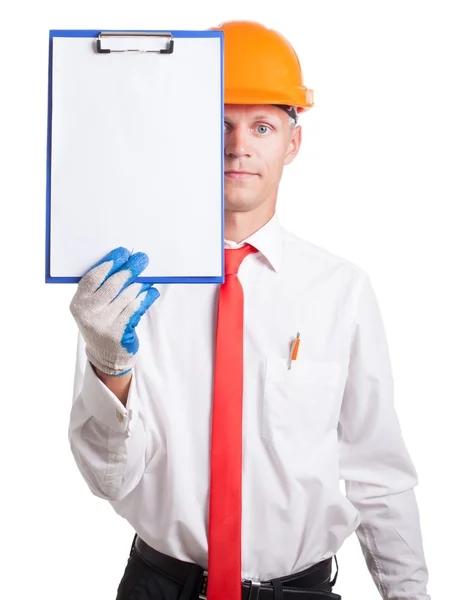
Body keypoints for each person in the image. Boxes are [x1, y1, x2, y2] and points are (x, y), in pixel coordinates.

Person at [68, 20, 431, 600]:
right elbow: (110, 478)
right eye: (219, 124)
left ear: (293, 142)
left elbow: (377, 474)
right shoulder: (130, 291)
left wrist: (409, 593)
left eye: (262, 125)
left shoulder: (341, 291)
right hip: (162, 588)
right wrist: (108, 365)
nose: (239, 146)